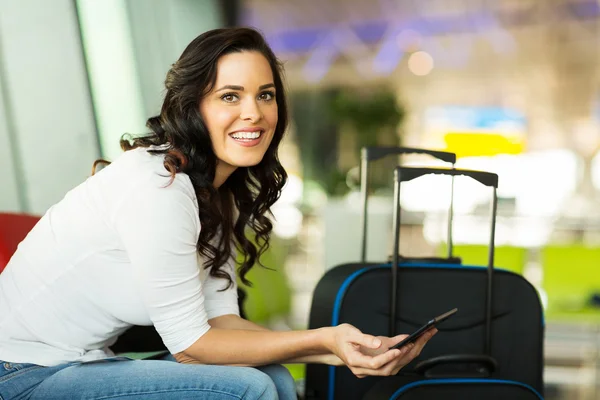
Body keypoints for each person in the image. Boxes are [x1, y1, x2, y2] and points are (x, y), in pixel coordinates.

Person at [0, 27, 435, 400]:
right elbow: (191, 345)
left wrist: (342, 351)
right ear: (194, 108)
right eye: (231, 96)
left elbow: (219, 321)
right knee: (250, 390)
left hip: (82, 362)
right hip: (20, 372)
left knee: (272, 376)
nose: (254, 112)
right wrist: (324, 339)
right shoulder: (159, 186)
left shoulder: (210, 193)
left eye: (265, 95)